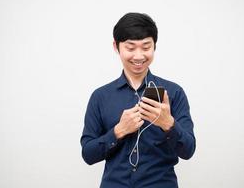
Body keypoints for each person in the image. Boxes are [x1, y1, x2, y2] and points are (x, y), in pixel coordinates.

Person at [80, 12, 196, 188]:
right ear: (116, 46)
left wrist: (168, 124)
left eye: (146, 47)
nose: (139, 56)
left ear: (154, 46)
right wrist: (118, 131)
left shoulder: (174, 92)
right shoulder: (100, 97)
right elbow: (88, 154)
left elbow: (188, 150)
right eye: (130, 47)